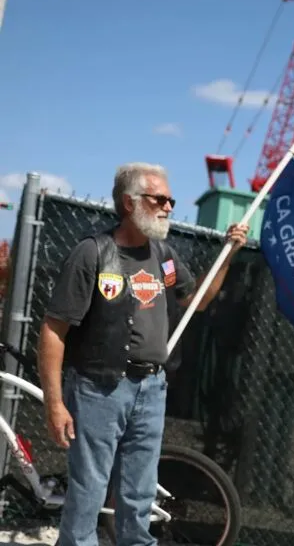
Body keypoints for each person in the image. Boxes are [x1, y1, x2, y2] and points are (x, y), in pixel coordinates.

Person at [37, 162, 249, 545]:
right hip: (99, 388)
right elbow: (53, 331)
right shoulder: (93, 254)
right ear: (129, 202)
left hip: (152, 388)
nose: (169, 206)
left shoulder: (163, 256)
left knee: (139, 492)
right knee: (88, 490)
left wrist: (228, 253)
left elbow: (196, 300)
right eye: (160, 199)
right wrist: (55, 403)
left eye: (171, 199)